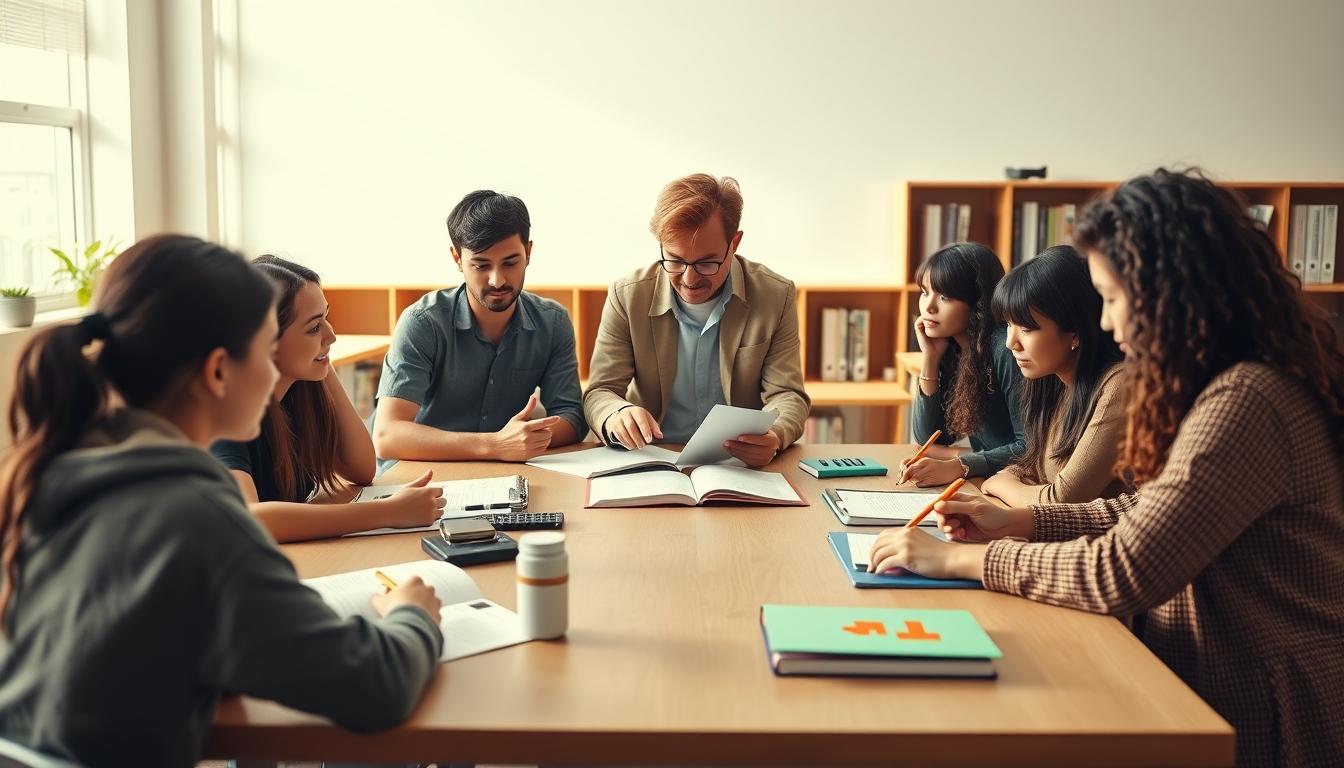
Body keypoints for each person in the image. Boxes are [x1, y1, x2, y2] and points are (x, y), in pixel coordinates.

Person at [869, 169, 1344, 766]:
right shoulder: (1226, 385)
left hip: (1267, 709)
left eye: (1113, 299)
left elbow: (1124, 568)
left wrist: (960, 559)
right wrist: (1017, 524)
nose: (1106, 323)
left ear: (1174, 293)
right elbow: (1144, 511)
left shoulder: (1247, 399)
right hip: (1213, 681)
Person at [0, 235, 444, 766]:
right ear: (217, 371)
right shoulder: (199, 520)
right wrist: (411, 615)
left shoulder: (48, 474)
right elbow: (377, 685)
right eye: (262, 350)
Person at [211, 256, 446, 542]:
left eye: (326, 317)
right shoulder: (224, 413)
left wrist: (322, 360)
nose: (331, 335)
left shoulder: (296, 392)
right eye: (314, 327)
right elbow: (250, 520)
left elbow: (361, 468)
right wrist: (386, 512)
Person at [582, 173, 810, 466]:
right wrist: (617, 414)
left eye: (706, 262)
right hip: (652, 460)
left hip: (737, 465)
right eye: (675, 260)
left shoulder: (775, 295)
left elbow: (788, 394)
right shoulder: (627, 296)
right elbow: (600, 392)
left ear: (735, 243)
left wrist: (775, 436)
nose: (689, 279)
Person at [374, 190, 584, 464]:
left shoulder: (552, 322)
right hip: (424, 471)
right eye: (481, 265)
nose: (497, 280)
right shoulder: (423, 322)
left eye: (510, 263)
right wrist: (496, 445)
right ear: (457, 259)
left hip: (509, 471)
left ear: (528, 252)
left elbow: (572, 418)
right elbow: (388, 436)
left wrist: (520, 440)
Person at [980, 245, 1129, 505]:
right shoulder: (1054, 383)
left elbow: (1062, 498)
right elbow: (1032, 467)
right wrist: (1011, 477)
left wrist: (1000, 483)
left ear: (1075, 334)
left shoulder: (1118, 386)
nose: (1010, 343)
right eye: (1008, 325)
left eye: (1026, 328)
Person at [903, 243, 1025, 485]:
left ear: (977, 302)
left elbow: (1028, 446)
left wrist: (961, 463)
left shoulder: (1006, 349)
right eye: (925, 292)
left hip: (1017, 486)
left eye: (944, 296)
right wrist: (930, 358)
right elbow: (929, 439)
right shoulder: (954, 347)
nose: (928, 307)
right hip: (987, 480)